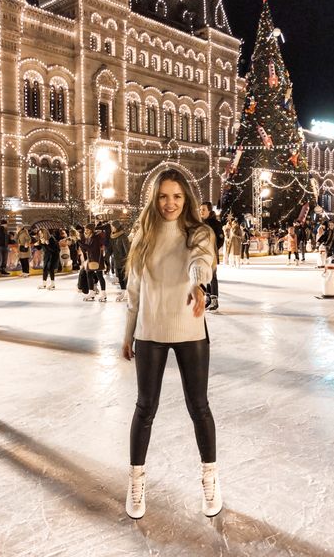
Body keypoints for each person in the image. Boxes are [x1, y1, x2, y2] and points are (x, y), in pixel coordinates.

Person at [122, 169, 221, 520]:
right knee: (144, 408)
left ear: (186, 199)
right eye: (164, 196)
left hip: (190, 330)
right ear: (155, 198)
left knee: (199, 407)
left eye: (177, 196)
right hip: (149, 332)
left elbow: (200, 262)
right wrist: (127, 332)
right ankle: (136, 480)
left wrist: (197, 286)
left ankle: (210, 476)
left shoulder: (199, 232)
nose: (170, 203)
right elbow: (133, 290)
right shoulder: (143, 235)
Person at [199, 202, 224, 312]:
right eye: (200, 210)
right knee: (205, 277)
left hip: (211, 255)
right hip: (201, 254)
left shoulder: (216, 224)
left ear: (209, 211)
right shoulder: (200, 224)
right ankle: (208, 298)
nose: (201, 212)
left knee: (212, 276)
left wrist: (213, 250)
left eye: (203, 209)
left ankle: (215, 300)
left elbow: (221, 239)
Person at [78, 224, 106, 301]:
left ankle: (103, 294)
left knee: (100, 276)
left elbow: (91, 248)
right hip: (90, 259)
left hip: (97, 259)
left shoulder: (95, 238)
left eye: (87, 230)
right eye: (85, 230)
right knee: (89, 274)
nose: (85, 231)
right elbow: (86, 249)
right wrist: (80, 244)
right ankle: (91, 293)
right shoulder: (89, 238)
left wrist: (80, 242)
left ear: (91, 230)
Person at [110, 220, 130, 302]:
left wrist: (127, 260)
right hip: (116, 260)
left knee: (125, 277)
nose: (112, 228)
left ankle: (127, 293)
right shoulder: (113, 236)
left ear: (117, 227)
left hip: (123, 260)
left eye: (113, 226)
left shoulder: (123, 236)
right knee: (120, 277)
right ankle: (123, 292)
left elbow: (127, 249)